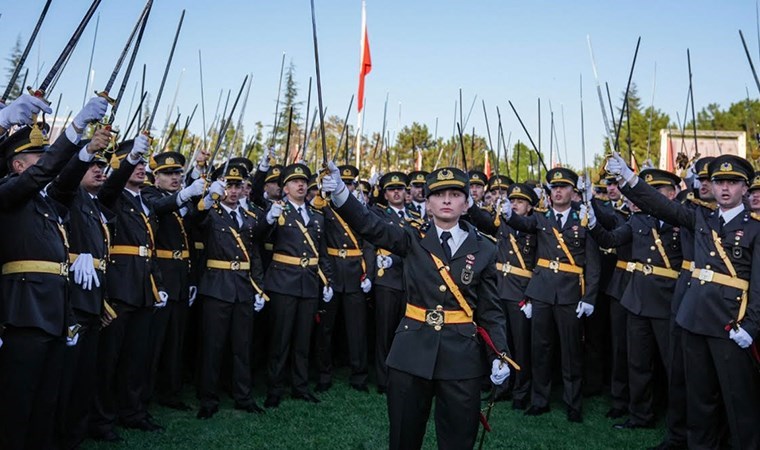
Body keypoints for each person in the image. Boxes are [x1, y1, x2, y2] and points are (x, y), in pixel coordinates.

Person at [321, 163, 510, 450]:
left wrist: (500, 352)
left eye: (455, 194)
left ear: (467, 202)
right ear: (428, 203)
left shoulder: (485, 247)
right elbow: (370, 225)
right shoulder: (411, 237)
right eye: (438, 194)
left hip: (461, 356)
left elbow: (491, 310)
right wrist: (340, 195)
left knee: (459, 439)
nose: (446, 200)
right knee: (403, 438)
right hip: (411, 352)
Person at [607, 151, 760, 449]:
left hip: (731, 322)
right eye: (719, 182)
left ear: (745, 188)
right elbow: (661, 205)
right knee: (699, 397)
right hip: (694, 318)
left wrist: (752, 325)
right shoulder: (700, 217)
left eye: (732, 182)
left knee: (738, 399)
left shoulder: (755, 228)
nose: (725, 188)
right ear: (712, 187)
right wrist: (628, 176)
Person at [0, 95, 107, 449]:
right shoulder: (8, 192)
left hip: (55, 313)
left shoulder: (45, 202)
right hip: (24, 313)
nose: (46, 163)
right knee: (19, 406)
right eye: (38, 157)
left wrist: (86, 148)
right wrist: (74, 128)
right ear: (18, 166)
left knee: (46, 403)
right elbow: (47, 172)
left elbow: (62, 179)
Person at [501, 167, 601, 423]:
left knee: (570, 352)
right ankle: (539, 399)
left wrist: (589, 297)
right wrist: (508, 214)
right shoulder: (541, 218)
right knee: (540, 349)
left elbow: (593, 263)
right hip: (542, 291)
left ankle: (573, 403)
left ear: (572, 191)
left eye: (563, 187)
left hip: (570, 293)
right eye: (554, 187)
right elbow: (522, 223)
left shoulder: (583, 219)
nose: (558, 191)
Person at [588, 168, 683, 430]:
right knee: (637, 362)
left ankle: (678, 423)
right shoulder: (639, 221)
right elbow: (611, 239)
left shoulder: (681, 222)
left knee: (673, 366)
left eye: (657, 192)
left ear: (672, 194)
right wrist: (594, 223)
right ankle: (640, 415)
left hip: (668, 300)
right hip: (637, 299)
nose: (650, 198)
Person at [90, 135, 168, 440]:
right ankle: (102, 419)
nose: (140, 168)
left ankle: (132, 411)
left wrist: (158, 284)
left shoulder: (144, 201)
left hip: (143, 286)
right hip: (120, 287)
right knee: (110, 358)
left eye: (141, 162)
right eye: (131, 162)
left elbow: (150, 248)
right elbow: (111, 186)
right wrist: (129, 160)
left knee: (137, 357)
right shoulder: (110, 195)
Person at [46, 128, 113, 450]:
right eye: (91, 166)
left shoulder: (93, 203)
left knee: (86, 372)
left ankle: (77, 430)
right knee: (68, 373)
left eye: (102, 166)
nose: (99, 170)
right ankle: (62, 433)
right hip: (72, 297)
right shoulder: (70, 195)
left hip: (93, 296)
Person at [190, 163, 268, 419]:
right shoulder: (211, 213)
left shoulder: (248, 218)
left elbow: (254, 255)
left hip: (243, 288)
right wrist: (209, 196)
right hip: (217, 286)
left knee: (241, 346)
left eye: (237, 186)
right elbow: (194, 219)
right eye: (228, 186)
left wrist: (258, 287)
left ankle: (243, 396)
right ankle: (208, 398)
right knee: (213, 346)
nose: (233, 191)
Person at [263, 163, 333, 407]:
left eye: (304, 181)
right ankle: (275, 388)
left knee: (303, 339)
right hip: (283, 281)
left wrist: (327, 280)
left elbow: (322, 252)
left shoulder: (316, 215)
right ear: (285, 188)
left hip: (309, 283)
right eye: (294, 181)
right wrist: (269, 219)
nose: (301, 185)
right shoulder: (277, 211)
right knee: (280, 340)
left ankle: (300, 386)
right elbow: (259, 238)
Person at [141, 152, 205, 411]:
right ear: (155, 178)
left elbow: (192, 228)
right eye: (168, 174)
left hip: (180, 275)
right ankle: (144, 395)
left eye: (178, 173)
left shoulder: (182, 201)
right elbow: (161, 207)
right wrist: (186, 194)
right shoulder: (149, 195)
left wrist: (206, 200)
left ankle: (170, 391)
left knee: (175, 341)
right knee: (154, 342)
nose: (175, 178)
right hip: (161, 276)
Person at [467, 183, 538, 410]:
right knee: (499, 343)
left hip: (521, 292)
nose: (515, 204)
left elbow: (540, 265)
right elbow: (484, 222)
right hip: (500, 288)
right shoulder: (502, 223)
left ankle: (521, 391)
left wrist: (532, 296)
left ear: (529, 207)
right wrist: (470, 204)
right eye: (513, 200)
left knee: (520, 345)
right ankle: (501, 386)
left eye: (520, 201)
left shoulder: (535, 228)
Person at [315, 164, 373, 393]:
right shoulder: (324, 208)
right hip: (332, 271)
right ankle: (323, 374)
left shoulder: (358, 209)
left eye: (350, 184)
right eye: (344, 183)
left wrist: (368, 273)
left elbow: (368, 242)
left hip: (355, 273)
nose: (347, 187)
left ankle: (359, 376)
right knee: (325, 329)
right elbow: (318, 242)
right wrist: (325, 276)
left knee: (357, 329)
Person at [371, 172, 415, 394]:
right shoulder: (379, 214)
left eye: (400, 188)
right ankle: (383, 378)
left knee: (406, 333)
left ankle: (403, 375)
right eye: (391, 189)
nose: (396, 192)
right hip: (387, 279)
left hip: (409, 280)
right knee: (385, 332)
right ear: (385, 194)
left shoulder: (415, 215)